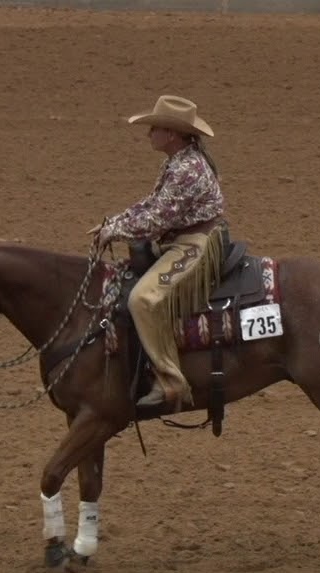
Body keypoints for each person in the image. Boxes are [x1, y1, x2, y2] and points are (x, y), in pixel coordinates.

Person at [90, 94, 229, 412]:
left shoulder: (186, 169)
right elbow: (151, 204)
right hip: (183, 238)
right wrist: (114, 222)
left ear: (172, 134)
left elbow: (157, 218)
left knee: (143, 300)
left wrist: (115, 230)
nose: (148, 133)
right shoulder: (180, 161)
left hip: (195, 245)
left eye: (154, 128)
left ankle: (171, 381)